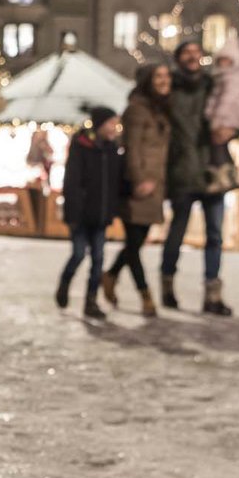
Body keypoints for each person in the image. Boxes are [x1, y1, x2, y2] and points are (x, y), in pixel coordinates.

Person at [158, 41, 233, 316]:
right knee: (177, 232)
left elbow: (233, 115)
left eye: (196, 52)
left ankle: (212, 295)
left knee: (215, 235)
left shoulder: (214, 85)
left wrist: (231, 131)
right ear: (179, 58)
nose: (192, 57)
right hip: (183, 170)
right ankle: (167, 286)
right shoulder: (169, 88)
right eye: (186, 53)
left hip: (213, 170)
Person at [101, 64, 174, 318]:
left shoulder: (161, 109)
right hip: (138, 185)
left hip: (156, 184)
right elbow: (131, 147)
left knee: (137, 241)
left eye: (166, 76)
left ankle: (110, 275)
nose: (164, 81)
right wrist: (139, 179)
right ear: (147, 81)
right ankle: (145, 295)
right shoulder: (136, 109)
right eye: (158, 77)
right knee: (133, 243)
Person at [56, 106, 124, 320]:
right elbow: (72, 182)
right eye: (111, 123)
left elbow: (116, 183)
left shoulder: (113, 149)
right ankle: (65, 283)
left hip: (101, 216)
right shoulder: (81, 145)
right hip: (81, 215)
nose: (114, 128)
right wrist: (73, 214)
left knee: (98, 259)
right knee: (78, 254)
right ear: (100, 124)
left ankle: (91, 301)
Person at [206, 40, 239, 174]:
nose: (223, 63)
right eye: (221, 60)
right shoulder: (220, 78)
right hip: (228, 122)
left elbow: (226, 101)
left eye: (226, 60)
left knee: (219, 151)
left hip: (227, 121)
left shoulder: (232, 79)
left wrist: (216, 122)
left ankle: (224, 174)